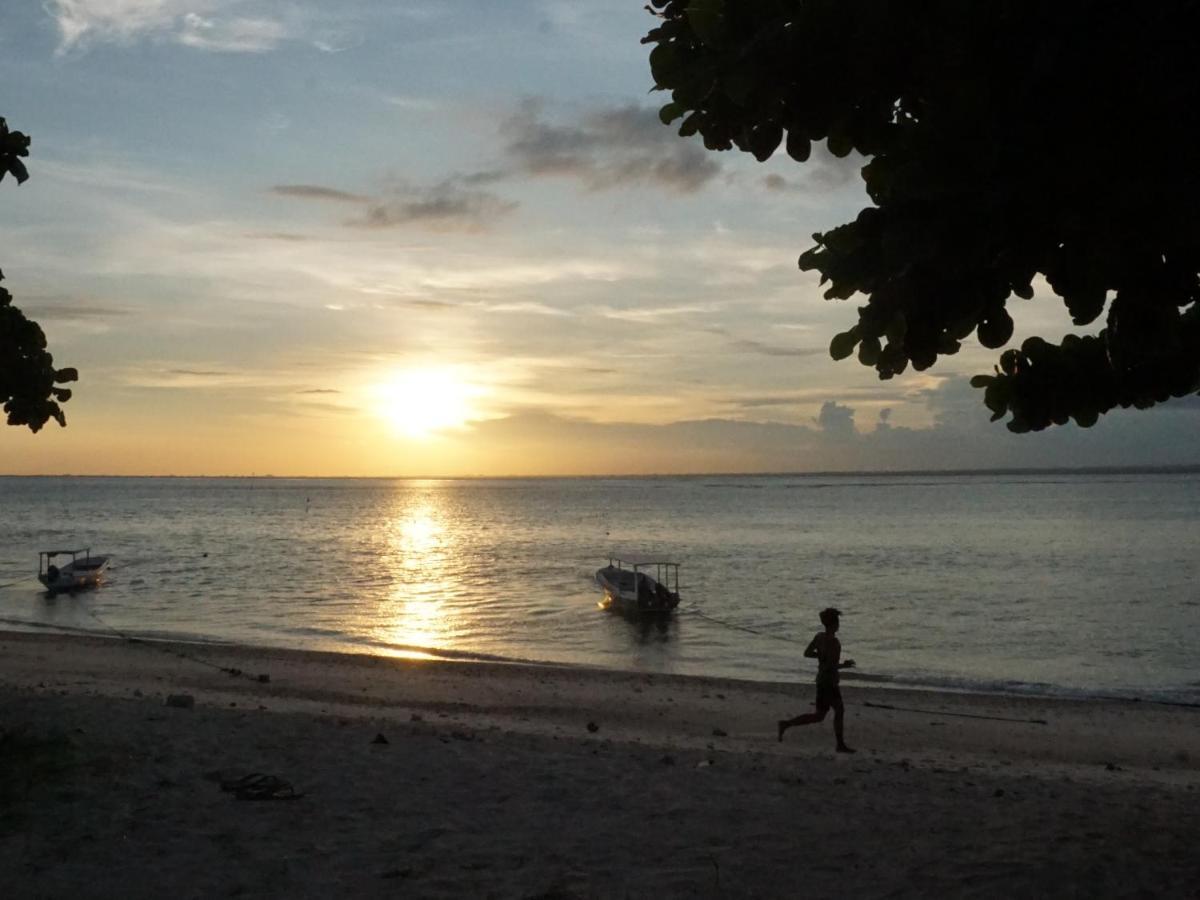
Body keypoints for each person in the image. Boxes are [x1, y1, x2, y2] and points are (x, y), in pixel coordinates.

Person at [777, 607, 856, 752]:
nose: (838, 625)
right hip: (829, 682)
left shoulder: (819, 637)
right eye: (837, 622)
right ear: (833, 624)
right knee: (839, 710)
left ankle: (786, 724)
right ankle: (840, 744)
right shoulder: (834, 643)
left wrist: (820, 656)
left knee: (819, 716)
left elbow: (807, 653)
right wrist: (845, 665)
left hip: (821, 681)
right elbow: (831, 666)